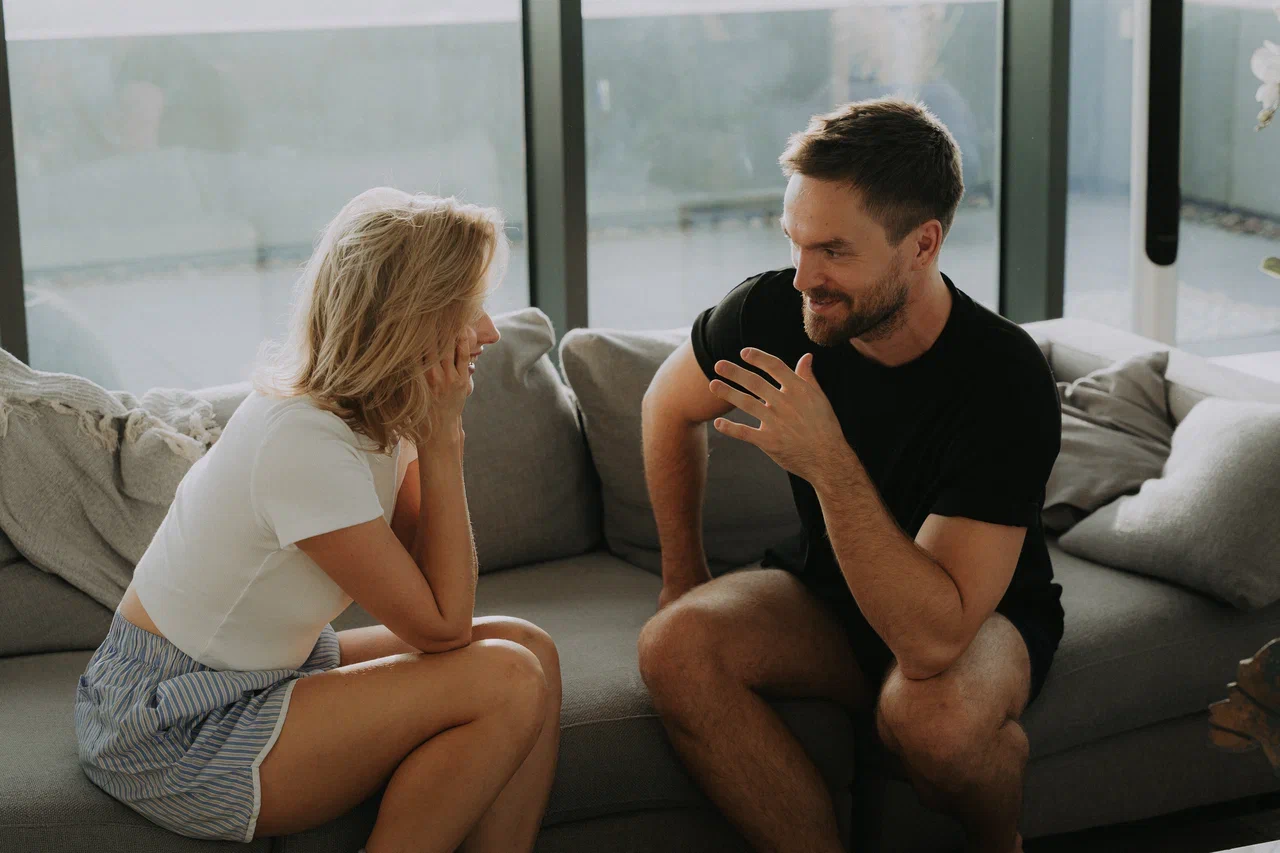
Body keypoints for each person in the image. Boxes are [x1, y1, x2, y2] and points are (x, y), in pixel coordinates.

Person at [74, 188, 561, 853]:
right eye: (468, 308)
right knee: (506, 678)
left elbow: (430, 587)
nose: (489, 332)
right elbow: (442, 627)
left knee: (530, 647)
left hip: (267, 669)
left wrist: (428, 436)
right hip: (175, 717)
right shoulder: (302, 439)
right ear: (412, 317)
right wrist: (443, 443)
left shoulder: (380, 414)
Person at [637, 98, 1063, 853]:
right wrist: (682, 576)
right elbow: (666, 408)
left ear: (922, 244)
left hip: (974, 619)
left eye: (834, 250)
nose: (805, 276)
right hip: (827, 595)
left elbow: (931, 640)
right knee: (674, 644)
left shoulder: (1003, 378)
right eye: (795, 241)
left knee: (933, 722)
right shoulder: (773, 312)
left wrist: (827, 461)